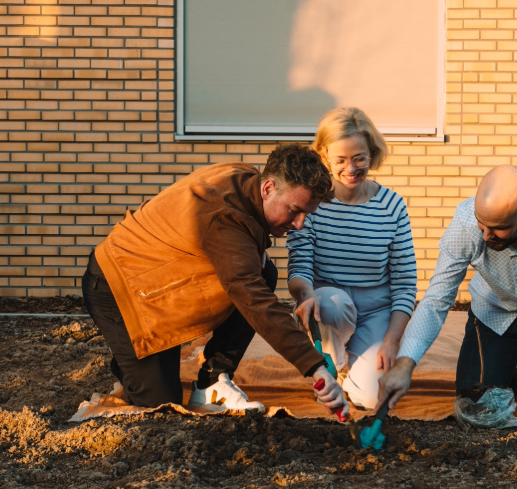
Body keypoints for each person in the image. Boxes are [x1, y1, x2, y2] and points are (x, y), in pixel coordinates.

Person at [81, 144, 345, 413]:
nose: (299, 224)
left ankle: (211, 383)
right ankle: (129, 360)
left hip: (158, 278)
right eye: (293, 210)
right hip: (119, 289)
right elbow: (254, 300)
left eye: (306, 215)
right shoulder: (227, 220)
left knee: (263, 271)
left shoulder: (246, 178)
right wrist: (315, 367)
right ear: (268, 188)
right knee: (163, 406)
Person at [377, 165, 517, 421]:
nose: (487, 236)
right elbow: (437, 298)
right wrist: (405, 363)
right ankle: (503, 375)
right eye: (483, 225)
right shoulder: (466, 221)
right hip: (495, 311)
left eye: (499, 228)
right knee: (476, 408)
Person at [286, 107, 417, 409]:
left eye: (360, 157)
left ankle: (351, 375)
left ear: (372, 153)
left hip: (376, 309)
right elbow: (300, 263)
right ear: (324, 155)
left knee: (372, 399)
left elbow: (405, 283)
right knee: (331, 302)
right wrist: (304, 295)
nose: (351, 168)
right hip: (330, 307)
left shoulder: (392, 205)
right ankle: (335, 364)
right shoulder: (313, 203)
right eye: (341, 159)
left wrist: (392, 342)